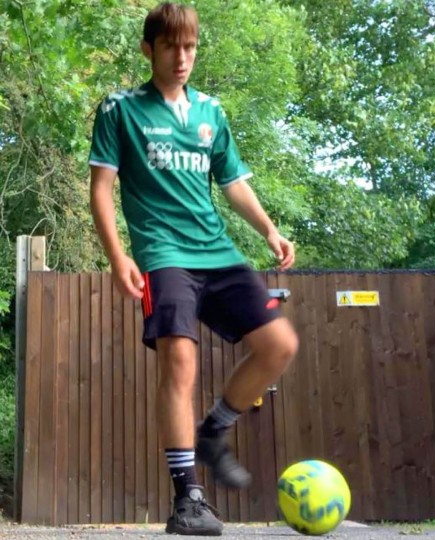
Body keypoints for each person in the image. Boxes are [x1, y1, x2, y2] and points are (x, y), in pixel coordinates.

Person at [88, 3, 299, 535]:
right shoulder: (120, 110)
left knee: (280, 345)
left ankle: (216, 428)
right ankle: (188, 498)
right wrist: (119, 256)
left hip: (217, 251)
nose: (182, 58)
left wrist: (269, 230)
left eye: (190, 47)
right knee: (180, 364)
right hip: (163, 254)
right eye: (170, 47)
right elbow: (102, 189)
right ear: (149, 49)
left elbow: (232, 183)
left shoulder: (210, 112)